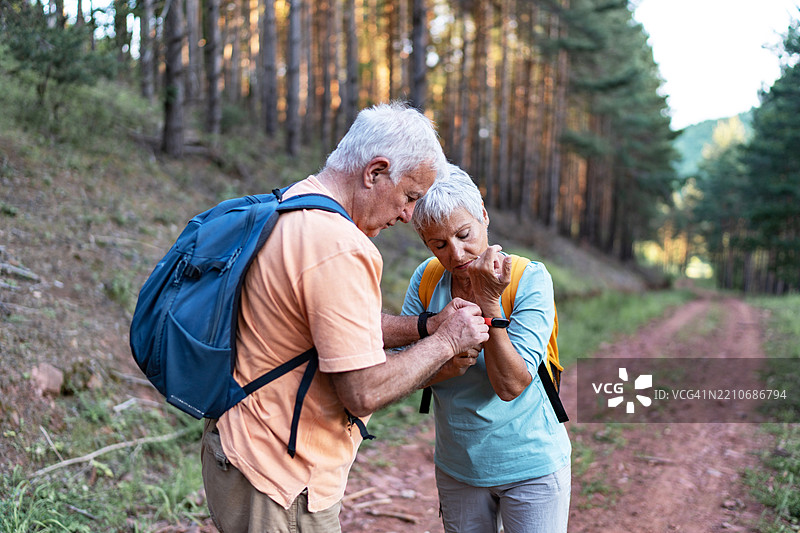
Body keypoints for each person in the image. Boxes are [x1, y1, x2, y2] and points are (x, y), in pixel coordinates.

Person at [200, 102, 490, 533]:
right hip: (280, 476)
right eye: (409, 196)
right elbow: (362, 389)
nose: (408, 214)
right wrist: (446, 342)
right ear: (375, 172)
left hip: (238, 445)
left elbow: (334, 325)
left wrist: (425, 325)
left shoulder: (296, 203)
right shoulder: (340, 246)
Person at [400, 164, 572, 533]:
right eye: (439, 244)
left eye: (465, 234)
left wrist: (491, 303)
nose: (457, 253)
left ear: (484, 216)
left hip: (532, 465)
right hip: (458, 466)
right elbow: (402, 368)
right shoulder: (427, 279)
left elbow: (511, 386)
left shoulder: (529, 279)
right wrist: (447, 362)